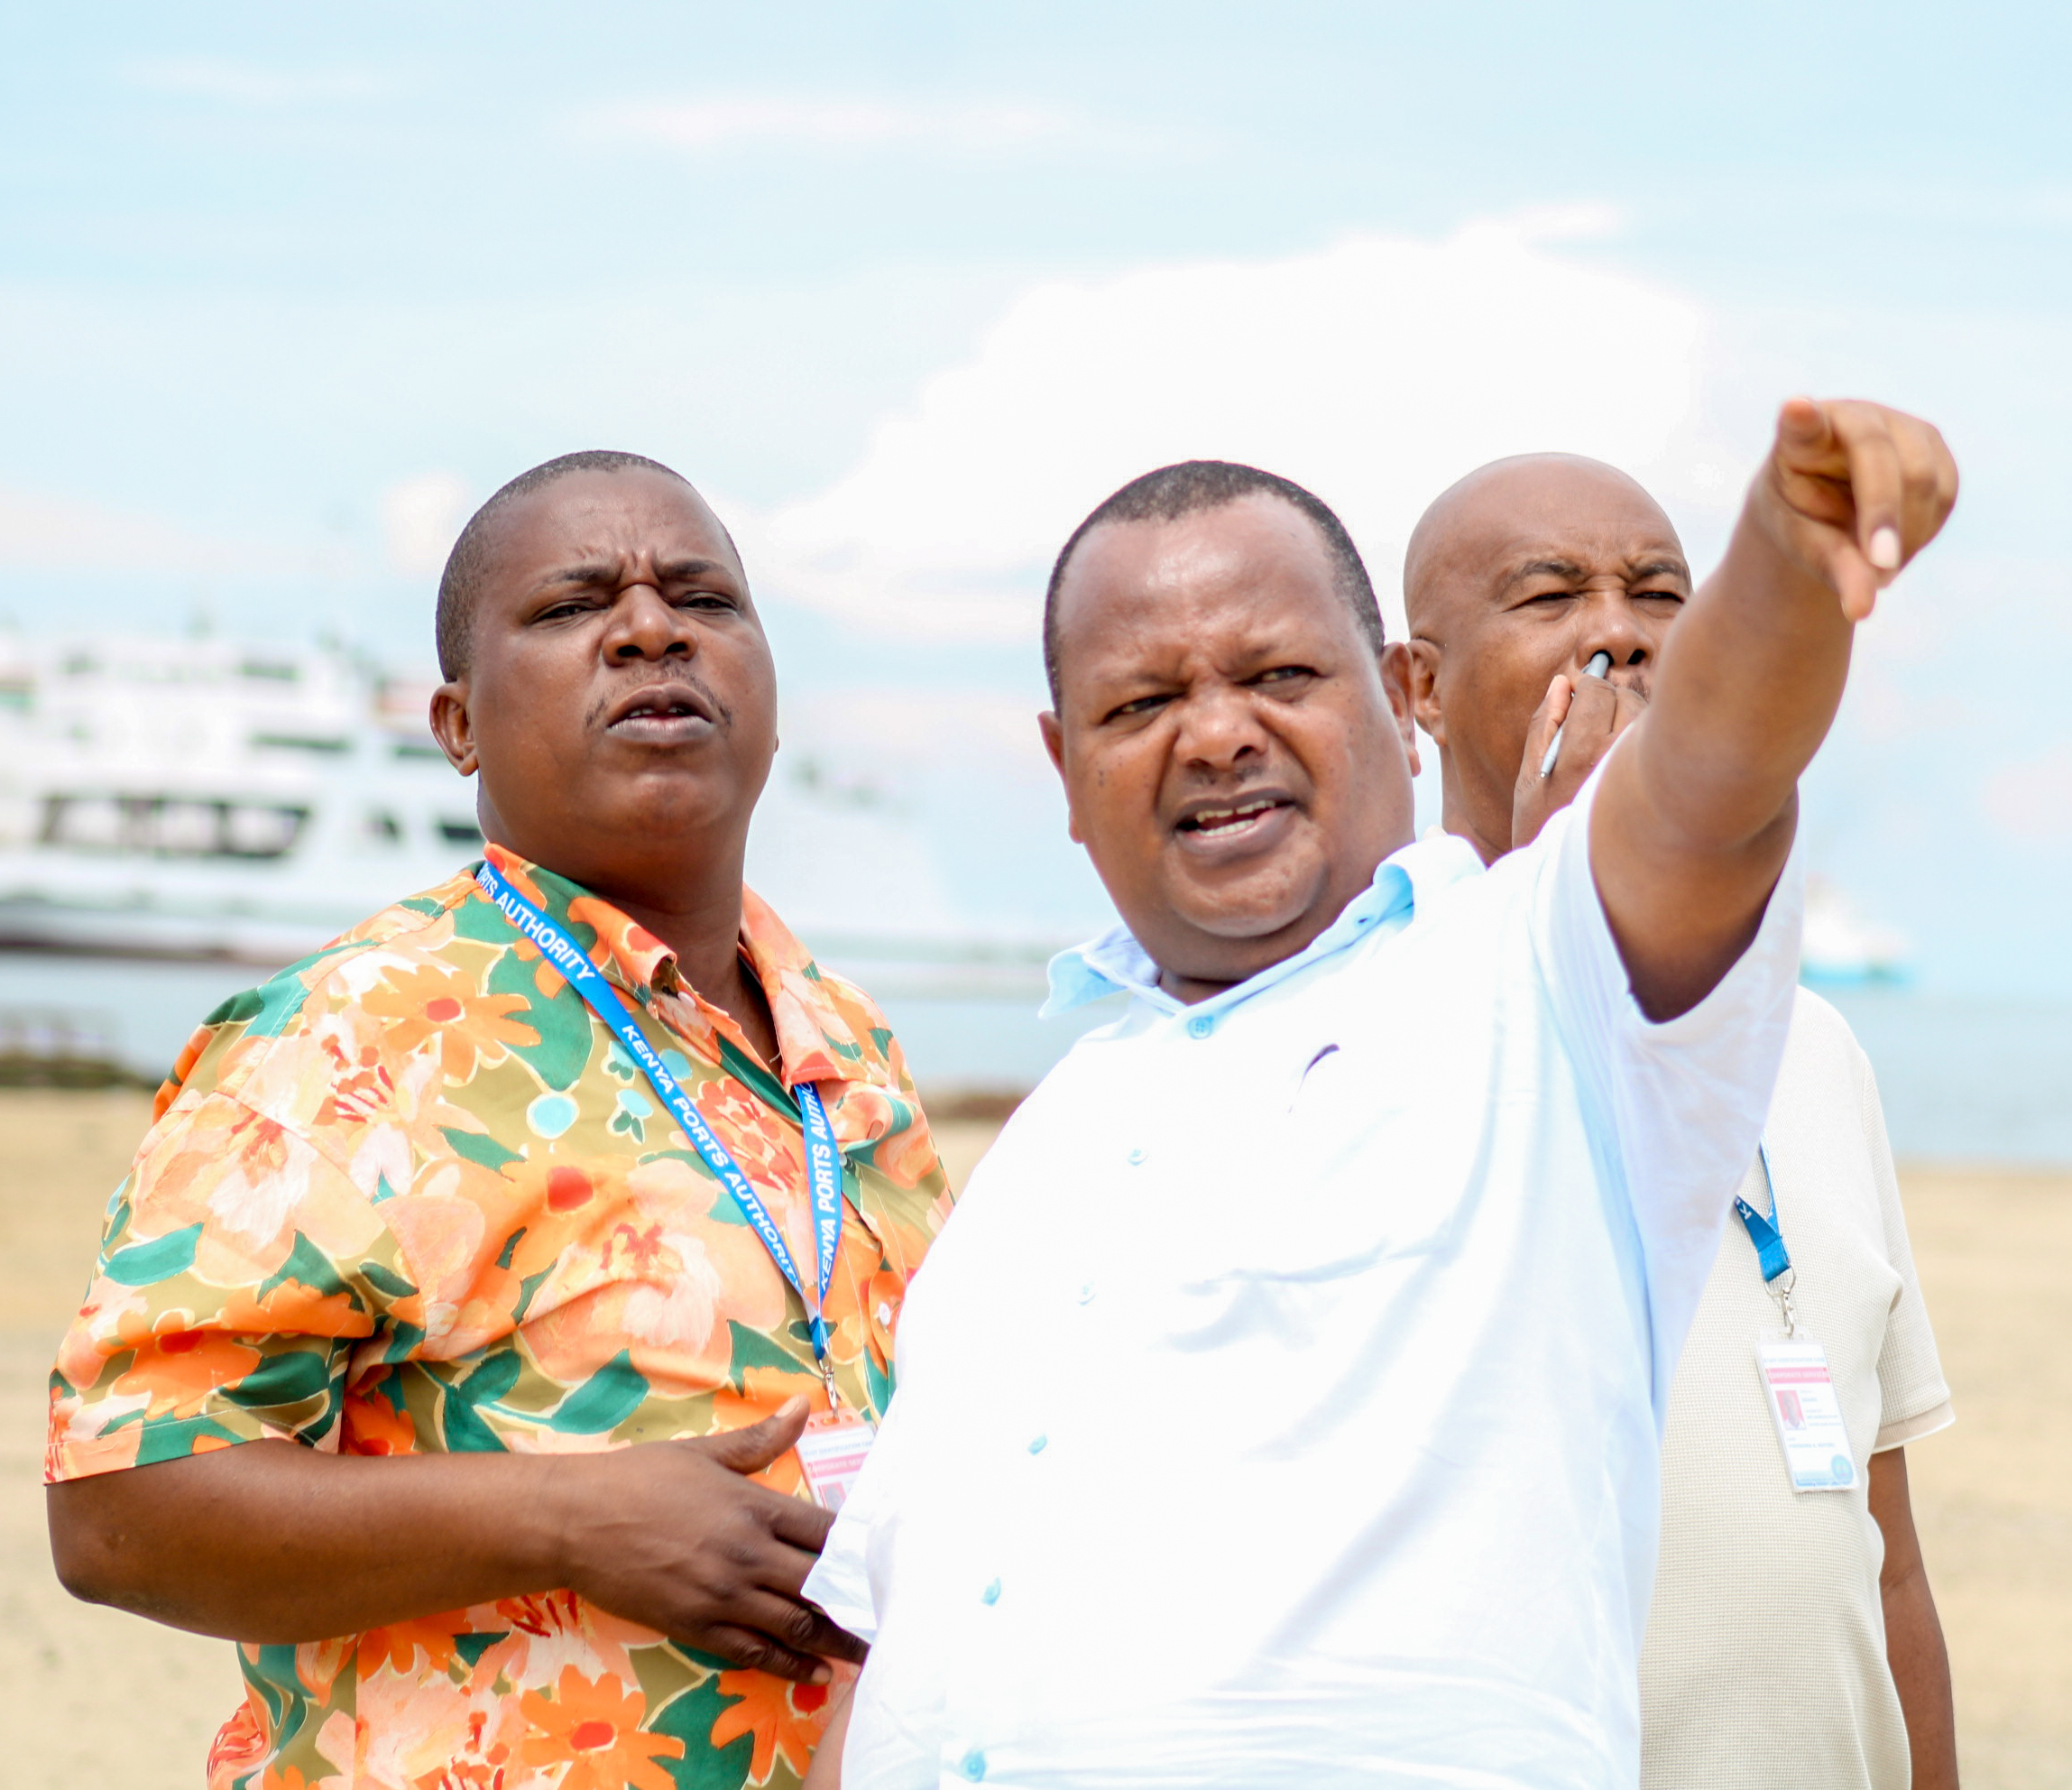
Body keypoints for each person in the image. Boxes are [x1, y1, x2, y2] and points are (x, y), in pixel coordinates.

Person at [805, 398, 1958, 1787]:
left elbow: (1704, 786)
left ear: (1392, 702)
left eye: (1280, 677)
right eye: (1144, 701)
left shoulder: (1531, 991)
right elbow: (907, 1642)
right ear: (1065, 768)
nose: (1217, 734)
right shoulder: (1046, 1142)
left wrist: (1784, 560)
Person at [43, 450, 952, 1790]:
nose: (653, 627)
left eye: (703, 597)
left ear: (768, 700)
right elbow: (117, 1514)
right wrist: (567, 1522)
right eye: (575, 605)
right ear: (457, 726)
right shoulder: (349, 1034)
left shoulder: (850, 1046)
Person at [1402, 453, 1959, 1790]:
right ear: (1413, 687)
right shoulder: (1375, 1021)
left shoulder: (1818, 1050)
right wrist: (1562, 908)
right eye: (1550, 595)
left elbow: (1880, 1560)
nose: (1619, 630)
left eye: (1661, 593)